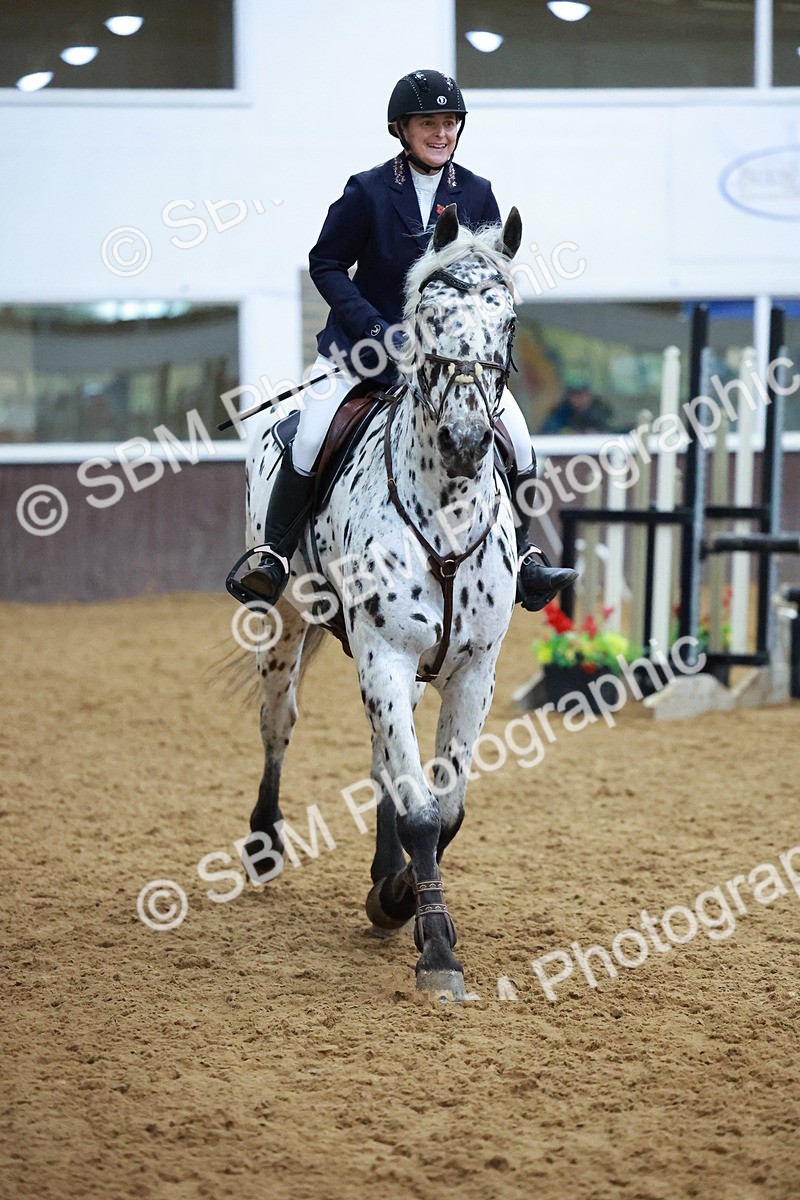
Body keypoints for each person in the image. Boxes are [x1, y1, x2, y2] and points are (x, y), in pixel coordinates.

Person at [236, 69, 576, 610]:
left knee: (518, 434)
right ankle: (274, 557)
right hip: (363, 355)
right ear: (401, 129)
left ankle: (525, 554)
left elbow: (487, 278)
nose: (440, 134)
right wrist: (375, 327)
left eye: (449, 124)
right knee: (310, 433)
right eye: (428, 124)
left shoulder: (478, 193)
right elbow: (325, 263)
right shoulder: (367, 190)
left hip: (449, 362)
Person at [539, 383, 615, 435]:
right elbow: (547, 431)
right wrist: (568, 433)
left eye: (583, 394)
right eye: (575, 395)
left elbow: (613, 430)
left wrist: (597, 433)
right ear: (569, 396)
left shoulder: (600, 409)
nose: (580, 399)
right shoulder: (561, 412)